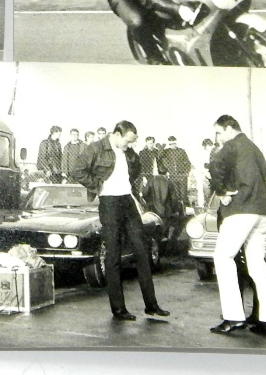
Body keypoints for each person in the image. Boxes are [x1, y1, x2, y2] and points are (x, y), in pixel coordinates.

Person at [69, 120, 169, 322]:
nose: (129, 145)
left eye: (132, 142)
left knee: (142, 251)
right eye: (127, 141)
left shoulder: (129, 151)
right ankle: (118, 309)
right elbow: (77, 170)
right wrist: (98, 186)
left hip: (127, 200)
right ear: (116, 134)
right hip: (109, 202)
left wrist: (127, 180)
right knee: (113, 254)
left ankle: (151, 306)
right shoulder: (96, 148)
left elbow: (137, 168)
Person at [207, 115, 266, 337]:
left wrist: (221, 192)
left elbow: (215, 163)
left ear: (228, 129)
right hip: (260, 212)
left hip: (240, 210)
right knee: (257, 264)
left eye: (219, 132)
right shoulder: (255, 149)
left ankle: (233, 317)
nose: (218, 137)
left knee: (222, 257)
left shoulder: (230, 145)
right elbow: (262, 174)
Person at [159, 135, 192, 209]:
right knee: (175, 195)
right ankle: (178, 210)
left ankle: (187, 209)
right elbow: (159, 156)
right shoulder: (166, 151)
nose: (172, 145)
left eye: (173, 143)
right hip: (172, 176)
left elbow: (188, 163)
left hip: (182, 175)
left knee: (184, 194)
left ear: (176, 143)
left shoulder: (181, 151)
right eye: (170, 144)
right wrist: (164, 145)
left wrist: (186, 173)